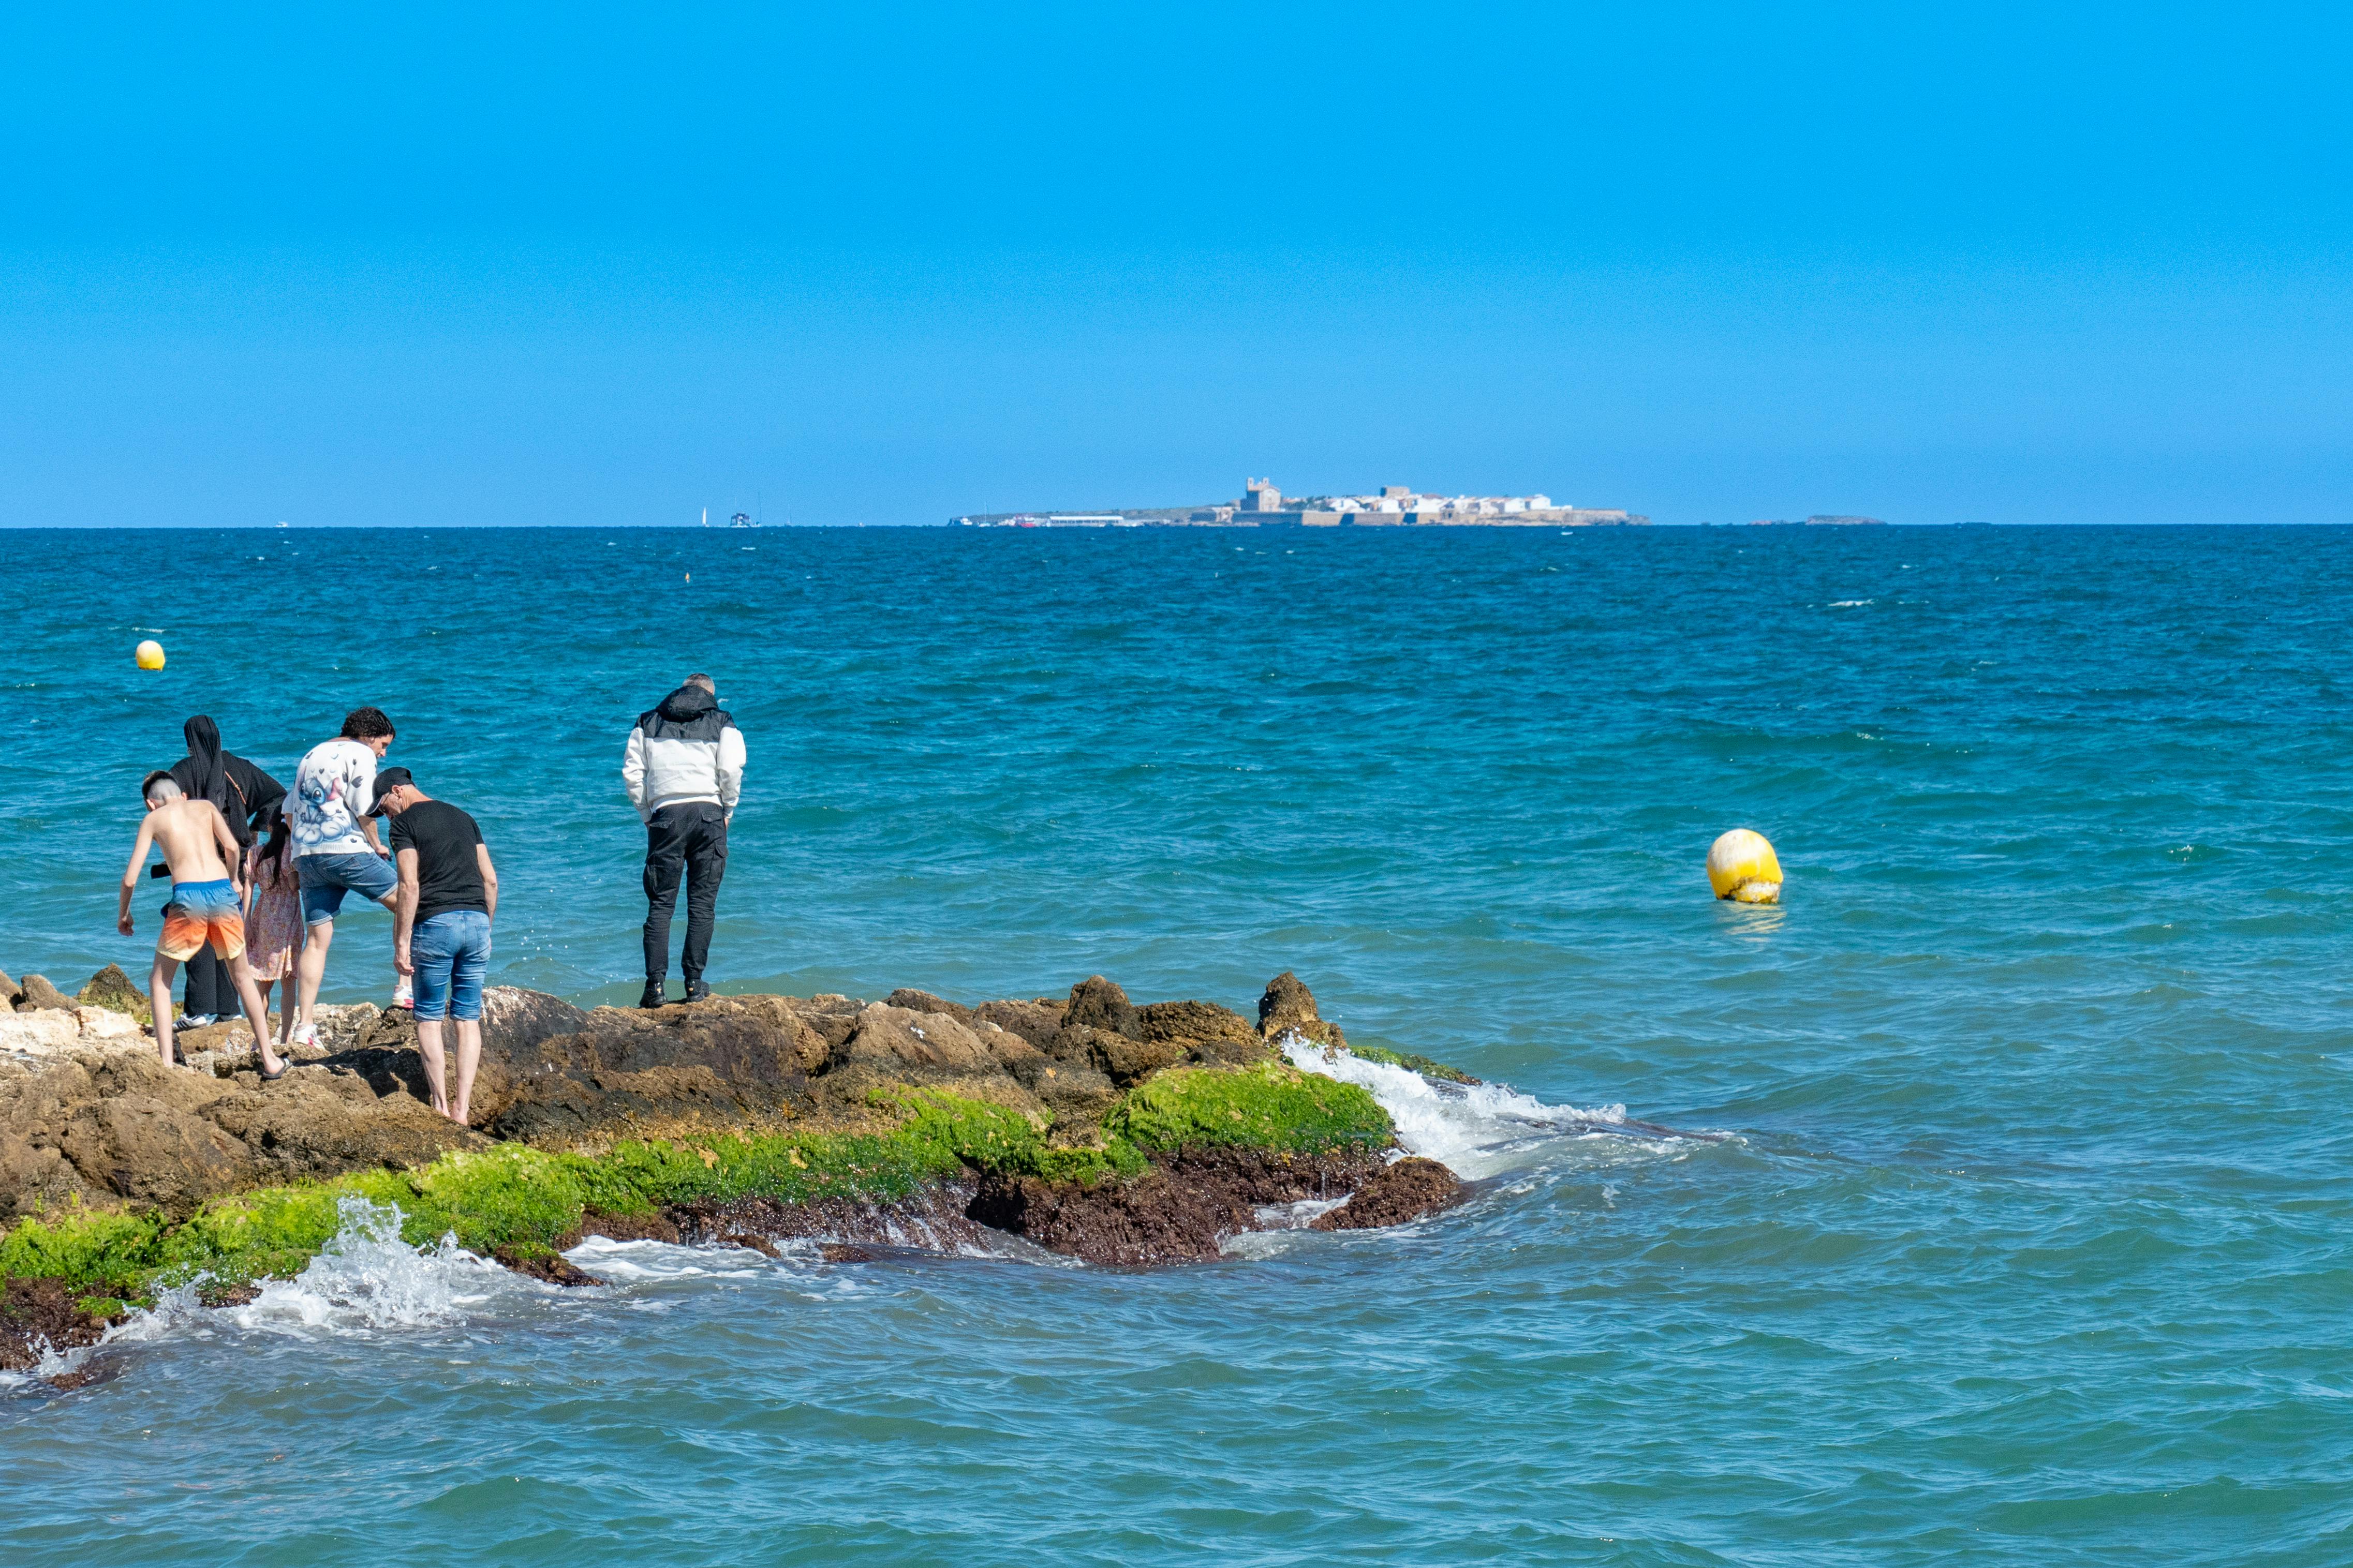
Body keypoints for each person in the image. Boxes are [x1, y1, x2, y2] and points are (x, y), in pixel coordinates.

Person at [117, 772, 289, 1079]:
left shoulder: (153, 820)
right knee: (242, 977)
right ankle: (270, 1060)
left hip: (188, 897)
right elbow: (235, 848)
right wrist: (235, 879)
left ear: (150, 804)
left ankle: (168, 1066)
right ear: (183, 795)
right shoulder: (206, 807)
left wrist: (124, 915)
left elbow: (130, 878)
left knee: (160, 982)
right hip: (222, 892)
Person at [373, 768, 499, 1124]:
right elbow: (490, 879)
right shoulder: (464, 817)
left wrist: (401, 942)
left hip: (436, 925)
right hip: (476, 921)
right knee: (467, 1018)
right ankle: (463, 1108)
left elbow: (409, 885)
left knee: (428, 1018)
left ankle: (441, 1107)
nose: (387, 816)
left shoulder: (404, 825)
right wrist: (484, 926)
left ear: (398, 791)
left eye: (384, 808)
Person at [621, 673, 744, 1008]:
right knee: (702, 905)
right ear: (709, 694)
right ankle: (694, 984)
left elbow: (633, 774)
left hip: (666, 816)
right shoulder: (722, 721)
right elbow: (731, 770)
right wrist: (727, 809)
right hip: (709, 813)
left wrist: (648, 813)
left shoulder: (647, 721)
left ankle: (655, 988)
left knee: (661, 905)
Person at [289, 707, 404, 1049]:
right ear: (369, 735)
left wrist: (296, 863)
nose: (383, 753)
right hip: (344, 848)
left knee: (317, 939)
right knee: (409, 904)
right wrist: (379, 844)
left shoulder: (311, 754)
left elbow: (291, 811)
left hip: (306, 855)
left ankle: (304, 1027)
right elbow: (363, 807)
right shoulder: (360, 753)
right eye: (383, 744)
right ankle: (405, 988)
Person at [166, 716, 285, 1026]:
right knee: (228, 935)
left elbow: (167, 812)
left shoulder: (181, 772)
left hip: (197, 861)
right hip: (238, 861)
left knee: (195, 933)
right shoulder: (240, 768)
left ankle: (197, 1012)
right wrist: (257, 830)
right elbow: (278, 796)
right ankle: (229, 1010)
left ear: (190, 742)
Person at [240, 803, 304, 1057]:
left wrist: (245, 923)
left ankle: (260, 1040)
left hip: (263, 915)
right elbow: (293, 885)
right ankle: (286, 1036)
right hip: (288, 916)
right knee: (289, 984)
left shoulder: (256, 853)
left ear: (268, 827)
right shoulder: (292, 851)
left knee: (263, 984)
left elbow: (249, 888)